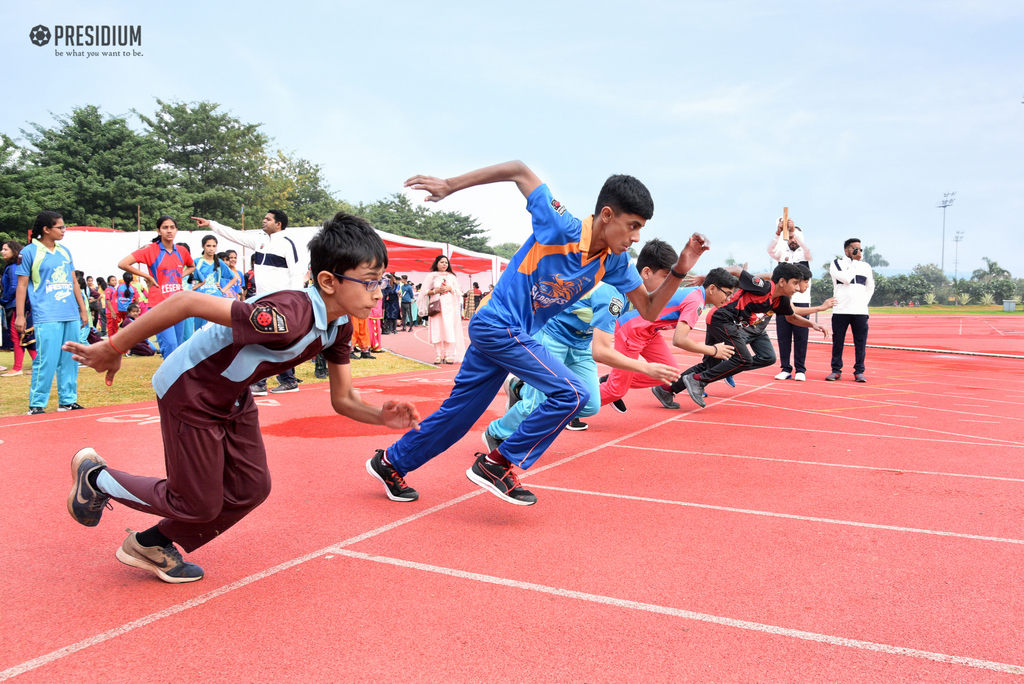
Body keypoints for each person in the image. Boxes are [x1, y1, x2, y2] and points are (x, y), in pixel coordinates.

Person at [63, 212, 420, 583]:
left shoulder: (339, 325)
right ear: (328, 281)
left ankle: (150, 544)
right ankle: (96, 478)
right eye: (369, 282)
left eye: (381, 281)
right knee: (197, 502)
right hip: (191, 389)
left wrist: (380, 417)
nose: (378, 293)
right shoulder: (286, 315)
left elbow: (343, 399)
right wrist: (114, 346)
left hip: (232, 396)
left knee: (251, 489)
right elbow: (184, 301)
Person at [366, 160, 708, 506]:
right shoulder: (561, 226)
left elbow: (649, 308)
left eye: (641, 229)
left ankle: (391, 462)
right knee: (573, 393)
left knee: (459, 416)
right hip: (498, 325)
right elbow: (518, 169)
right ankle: (497, 465)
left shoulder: (614, 262)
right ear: (607, 215)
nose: (636, 237)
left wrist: (680, 269)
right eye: (632, 226)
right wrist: (450, 185)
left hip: (511, 336)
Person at [675, 263, 831, 409]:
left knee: (715, 364)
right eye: (795, 283)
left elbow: (791, 317)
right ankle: (698, 380)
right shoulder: (762, 286)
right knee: (741, 359)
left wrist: (813, 324)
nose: (797, 288)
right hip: (722, 318)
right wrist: (708, 278)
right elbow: (737, 269)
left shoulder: (782, 301)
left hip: (733, 325)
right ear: (783, 282)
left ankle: (667, 388)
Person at [601, 256, 738, 412]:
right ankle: (574, 409)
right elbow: (679, 340)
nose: (728, 299)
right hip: (632, 329)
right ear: (712, 289)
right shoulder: (696, 302)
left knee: (669, 373)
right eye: (727, 293)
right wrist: (714, 350)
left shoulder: (695, 295)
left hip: (649, 331)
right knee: (616, 390)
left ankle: (614, 380)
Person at [195, 210, 304, 395]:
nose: (264, 220)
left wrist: (295, 301)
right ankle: (281, 380)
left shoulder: (287, 243)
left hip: (281, 302)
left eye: (268, 219)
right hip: (261, 301)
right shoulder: (259, 240)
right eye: (265, 217)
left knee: (271, 340)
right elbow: (235, 235)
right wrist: (212, 224)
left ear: (278, 224)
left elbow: (296, 273)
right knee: (265, 340)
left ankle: (275, 381)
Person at [14, 211, 89, 414]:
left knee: (70, 359)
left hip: (70, 314)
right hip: (46, 315)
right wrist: (20, 316)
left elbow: (74, 282)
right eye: (60, 227)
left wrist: (83, 310)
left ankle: (68, 401)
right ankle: (37, 404)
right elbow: (21, 286)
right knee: (46, 359)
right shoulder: (29, 252)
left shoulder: (64, 251)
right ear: (46, 229)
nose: (64, 230)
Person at [117, 216, 195, 359]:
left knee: (178, 346)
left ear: (176, 230)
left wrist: (179, 276)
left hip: (179, 303)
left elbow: (192, 266)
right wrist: (148, 277)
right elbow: (123, 263)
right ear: (158, 231)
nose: (169, 231)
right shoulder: (150, 249)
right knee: (170, 345)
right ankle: (169, 380)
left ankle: (175, 379)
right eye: (165, 227)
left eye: (172, 227)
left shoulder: (182, 251)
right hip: (160, 304)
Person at [768, 217, 813, 381]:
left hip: (802, 301)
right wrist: (778, 233)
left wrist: (794, 231)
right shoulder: (782, 253)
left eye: (795, 237)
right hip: (783, 301)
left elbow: (806, 249)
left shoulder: (805, 255)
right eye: (791, 238)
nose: (792, 240)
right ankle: (786, 368)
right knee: (783, 335)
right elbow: (771, 250)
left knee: (801, 336)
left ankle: (800, 369)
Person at [828, 238, 874, 382]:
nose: (859, 252)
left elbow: (870, 287)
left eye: (860, 249)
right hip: (841, 310)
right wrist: (854, 261)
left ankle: (859, 371)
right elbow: (846, 278)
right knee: (838, 341)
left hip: (860, 311)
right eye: (855, 249)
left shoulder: (866, 267)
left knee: (860, 342)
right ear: (847, 250)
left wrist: (862, 303)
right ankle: (836, 370)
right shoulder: (836, 264)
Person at [419, 255, 465, 364]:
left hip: (449, 307)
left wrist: (450, 288)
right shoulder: (432, 276)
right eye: (442, 262)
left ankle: (448, 355)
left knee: (448, 329)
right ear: (437, 263)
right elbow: (424, 292)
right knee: (437, 329)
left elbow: (459, 292)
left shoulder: (452, 277)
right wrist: (436, 291)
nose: (444, 264)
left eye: (446, 262)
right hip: (436, 306)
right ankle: (438, 355)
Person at [2, 240, 38, 377]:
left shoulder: (13, 267)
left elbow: (14, 286)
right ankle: (36, 365)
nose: (2, 252)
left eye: (5, 249)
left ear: (14, 251)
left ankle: (18, 368)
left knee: (18, 336)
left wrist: (4, 300)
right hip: (18, 305)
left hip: (17, 305)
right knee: (23, 336)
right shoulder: (13, 266)